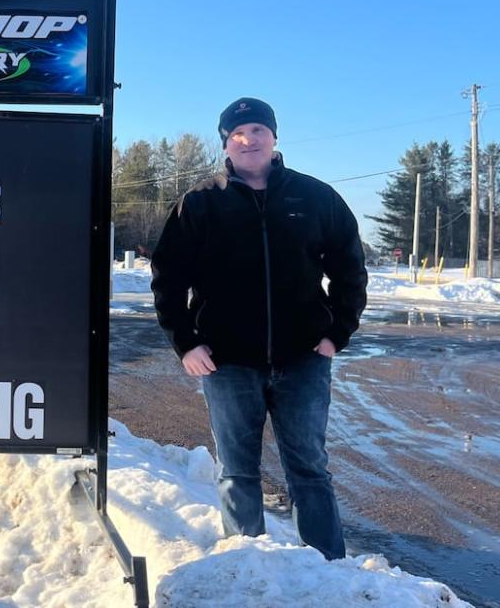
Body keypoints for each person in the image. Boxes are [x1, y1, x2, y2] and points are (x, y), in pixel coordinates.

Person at [149, 97, 367, 560]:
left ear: (274, 137)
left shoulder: (315, 197)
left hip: (304, 358)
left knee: (309, 469)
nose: (248, 140)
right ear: (226, 143)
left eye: (257, 130)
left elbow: (350, 269)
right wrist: (185, 343)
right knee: (236, 471)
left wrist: (336, 333)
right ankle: (246, 565)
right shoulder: (200, 203)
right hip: (226, 362)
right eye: (237, 133)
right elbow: (168, 279)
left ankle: (328, 571)